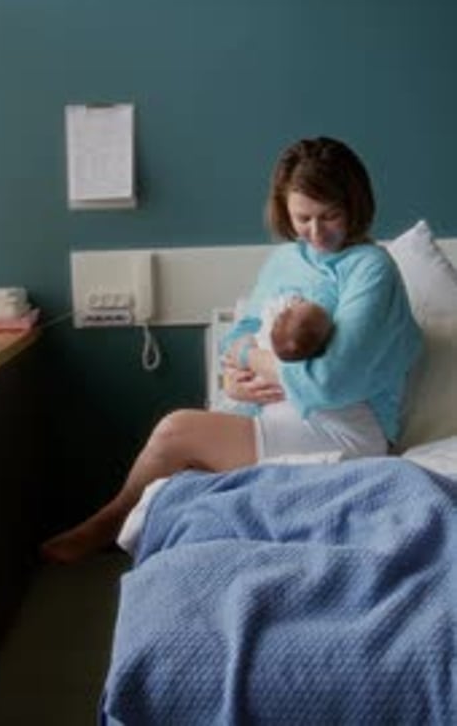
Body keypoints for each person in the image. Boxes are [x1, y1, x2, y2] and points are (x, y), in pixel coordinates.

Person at [41, 136, 422, 563]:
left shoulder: (370, 268)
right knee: (184, 477)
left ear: (354, 205)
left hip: (343, 427)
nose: (316, 233)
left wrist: (253, 359)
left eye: (329, 216)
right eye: (303, 218)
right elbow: (238, 335)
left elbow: (330, 383)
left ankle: (108, 525)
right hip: (276, 412)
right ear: (284, 210)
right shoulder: (285, 260)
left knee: (175, 432)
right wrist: (233, 378)